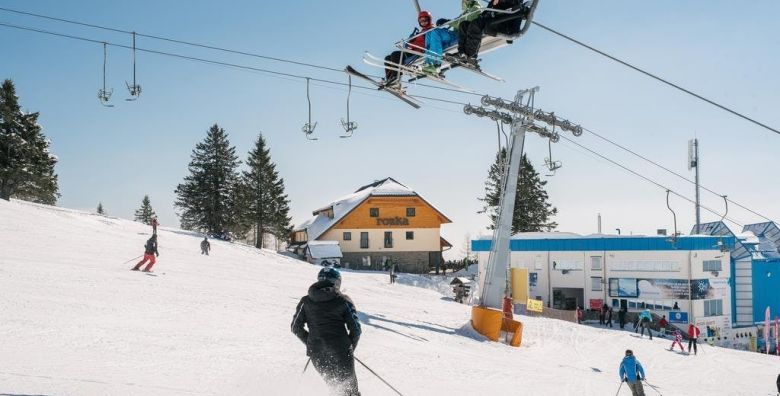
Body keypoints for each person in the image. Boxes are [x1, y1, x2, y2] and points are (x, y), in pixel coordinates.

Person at [291, 268, 362, 396]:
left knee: (335, 388)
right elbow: (356, 330)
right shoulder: (343, 300)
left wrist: (311, 342)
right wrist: (349, 347)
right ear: (336, 283)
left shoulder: (306, 301)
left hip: (317, 353)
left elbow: (295, 327)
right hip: (341, 351)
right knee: (350, 391)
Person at [454, 0, 529, 68]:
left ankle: (471, 57)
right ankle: (462, 53)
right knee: (464, 25)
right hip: (492, 20)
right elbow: (486, 12)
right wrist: (483, 15)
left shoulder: (514, 2)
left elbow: (514, 8)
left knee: (475, 25)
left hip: (503, 22)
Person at [384, 11, 435, 85]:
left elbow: (425, 43)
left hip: (419, 52)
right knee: (388, 58)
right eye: (421, 21)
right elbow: (411, 44)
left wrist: (411, 44)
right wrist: (411, 39)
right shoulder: (421, 32)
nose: (423, 22)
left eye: (425, 20)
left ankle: (396, 78)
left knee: (395, 55)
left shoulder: (431, 31)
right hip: (413, 51)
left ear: (429, 20)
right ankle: (390, 79)